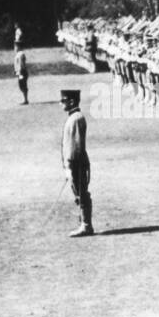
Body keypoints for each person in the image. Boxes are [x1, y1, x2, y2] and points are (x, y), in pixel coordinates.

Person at [61, 89, 93, 237]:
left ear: (72, 101)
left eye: (64, 100)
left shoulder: (76, 118)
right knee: (78, 193)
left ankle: (86, 225)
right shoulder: (73, 117)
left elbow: (76, 145)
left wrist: (70, 164)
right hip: (74, 162)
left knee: (82, 193)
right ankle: (84, 223)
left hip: (77, 162)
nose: (61, 103)